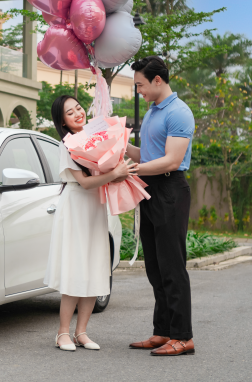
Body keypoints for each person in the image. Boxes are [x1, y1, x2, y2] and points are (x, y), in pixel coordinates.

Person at [45, 95, 138, 351]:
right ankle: (63, 333)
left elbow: (103, 175)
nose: (77, 113)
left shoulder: (95, 137)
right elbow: (85, 182)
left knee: (94, 267)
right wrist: (113, 174)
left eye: (78, 108)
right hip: (75, 206)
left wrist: (117, 175)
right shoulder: (66, 145)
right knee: (75, 269)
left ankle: (82, 332)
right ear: (62, 122)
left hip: (96, 206)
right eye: (70, 112)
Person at [125, 56, 196, 356]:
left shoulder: (179, 112)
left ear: (157, 80)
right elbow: (148, 154)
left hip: (170, 189)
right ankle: (163, 331)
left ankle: (183, 337)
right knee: (155, 266)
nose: (138, 90)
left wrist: (131, 171)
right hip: (149, 188)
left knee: (172, 266)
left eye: (140, 84)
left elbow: (171, 161)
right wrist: (120, 147)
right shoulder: (153, 111)